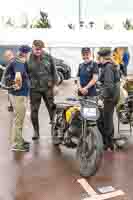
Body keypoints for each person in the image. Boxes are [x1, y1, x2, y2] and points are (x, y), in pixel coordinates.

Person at [27, 40, 58, 140]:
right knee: (34, 110)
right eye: (36, 49)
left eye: (40, 49)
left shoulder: (48, 57)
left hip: (47, 87)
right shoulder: (28, 58)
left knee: (52, 109)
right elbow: (25, 73)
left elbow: (54, 71)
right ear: (32, 47)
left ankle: (54, 132)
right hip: (34, 88)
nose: (38, 51)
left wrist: (55, 85)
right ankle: (36, 131)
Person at [3, 45, 31, 151]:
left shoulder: (17, 61)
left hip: (17, 95)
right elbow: (18, 76)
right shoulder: (19, 63)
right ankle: (17, 144)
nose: (30, 55)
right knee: (19, 120)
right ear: (25, 53)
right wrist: (18, 85)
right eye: (29, 53)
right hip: (18, 96)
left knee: (18, 119)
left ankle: (19, 140)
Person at [98, 48, 120, 151]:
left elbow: (109, 85)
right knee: (106, 118)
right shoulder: (111, 65)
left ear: (103, 57)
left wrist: (101, 98)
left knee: (107, 120)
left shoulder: (108, 68)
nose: (99, 59)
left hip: (110, 97)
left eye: (99, 57)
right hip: (113, 96)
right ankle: (107, 142)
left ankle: (108, 144)